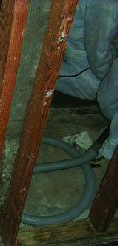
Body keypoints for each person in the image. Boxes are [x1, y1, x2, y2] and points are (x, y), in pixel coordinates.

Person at [56, 0, 118, 159]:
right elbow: (98, 51)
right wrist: (107, 79)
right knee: (103, 91)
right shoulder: (106, 4)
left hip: (68, 40)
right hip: (76, 56)